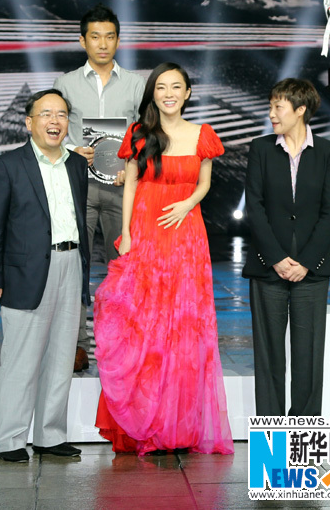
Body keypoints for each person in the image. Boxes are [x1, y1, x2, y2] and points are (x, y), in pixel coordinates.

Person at [93, 62, 234, 455]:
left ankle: (177, 425)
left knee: (184, 326)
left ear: (188, 92)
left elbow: (205, 182)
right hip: (146, 232)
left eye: (176, 87)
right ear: (152, 94)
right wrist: (128, 236)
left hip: (186, 234)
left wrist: (187, 204)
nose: (168, 93)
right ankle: (143, 421)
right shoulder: (140, 134)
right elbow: (131, 186)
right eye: (161, 88)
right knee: (143, 324)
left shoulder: (203, 134)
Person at [0, 89, 90, 462]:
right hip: (25, 273)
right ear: (29, 122)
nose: (54, 121)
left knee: (61, 358)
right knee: (21, 361)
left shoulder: (75, 164)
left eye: (61, 114)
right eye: (46, 114)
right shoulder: (8, 165)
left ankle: (49, 434)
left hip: (70, 265)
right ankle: (10, 439)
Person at [54, 4, 145, 372]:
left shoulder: (137, 84)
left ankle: (120, 341)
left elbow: (146, 133)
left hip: (123, 187)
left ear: (118, 40)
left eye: (109, 36)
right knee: (74, 266)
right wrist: (70, 149)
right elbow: (53, 129)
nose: (103, 43)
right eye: (95, 36)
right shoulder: (66, 84)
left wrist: (132, 164)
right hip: (78, 186)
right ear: (82, 40)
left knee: (123, 266)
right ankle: (75, 345)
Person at [242, 78, 330, 416]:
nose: (271, 114)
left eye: (277, 107)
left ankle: (304, 433)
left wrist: (306, 262)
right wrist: (276, 259)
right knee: (268, 356)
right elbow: (254, 207)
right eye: (270, 106)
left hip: (312, 271)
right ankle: (271, 437)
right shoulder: (261, 148)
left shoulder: (328, 151)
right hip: (268, 268)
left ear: (300, 110)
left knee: (308, 358)